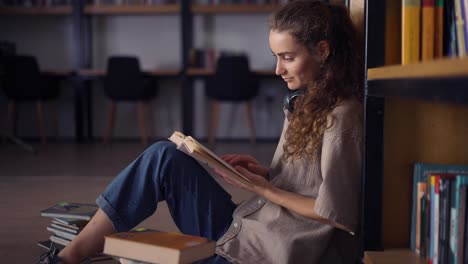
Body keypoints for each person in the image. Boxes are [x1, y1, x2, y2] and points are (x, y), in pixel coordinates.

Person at [38, 1, 363, 263]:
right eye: (276, 57)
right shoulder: (303, 103)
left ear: (322, 50)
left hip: (263, 252)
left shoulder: (342, 119)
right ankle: (70, 256)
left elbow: (336, 212)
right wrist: (264, 173)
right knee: (163, 156)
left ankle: (67, 258)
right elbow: (307, 182)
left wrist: (264, 189)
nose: (278, 69)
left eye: (287, 58)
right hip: (245, 230)